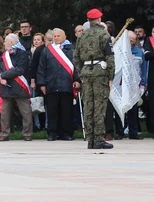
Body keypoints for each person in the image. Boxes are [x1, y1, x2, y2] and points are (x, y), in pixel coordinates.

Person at [74, 8, 113, 150]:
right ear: (99, 20)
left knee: (88, 105)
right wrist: (111, 75)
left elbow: (76, 57)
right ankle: (99, 138)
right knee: (99, 105)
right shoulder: (104, 35)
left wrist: (81, 72)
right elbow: (109, 57)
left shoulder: (81, 36)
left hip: (86, 72)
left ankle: (90, 139)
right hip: (100, 72)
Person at [37, 28, 78, 141]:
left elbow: (76, 67)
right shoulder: (47, 50)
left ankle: (66, 133)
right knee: (52, 111)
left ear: (64, 37)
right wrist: (42, 84)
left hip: (67, 85)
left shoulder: (71, 50)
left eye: (58, 36)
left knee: (66, 111)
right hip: (51, 85)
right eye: (54, 36)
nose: (56, 38)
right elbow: (41, 68)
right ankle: (52, 133)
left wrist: (77, 80)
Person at [0, 34, 33, 141]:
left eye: (6, 41)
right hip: (5, 85)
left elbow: (19, 69)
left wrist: (3, 75)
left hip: (19, 85)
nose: (4, 43)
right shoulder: (4, 55)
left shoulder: (22, 54)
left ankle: (27, 134)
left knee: (25, 111)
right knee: (5, 112)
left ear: (12, 43)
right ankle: (5, 133)